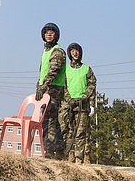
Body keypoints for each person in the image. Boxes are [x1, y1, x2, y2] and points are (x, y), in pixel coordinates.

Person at [60, 42, 97, 164]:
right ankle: (70, 157)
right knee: (69, 132)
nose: (75, 53)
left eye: (77, 51)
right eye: (72, 51)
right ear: (70, 53)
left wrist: (88, 100)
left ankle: (79, 158)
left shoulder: (86, 69)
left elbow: (92, 84)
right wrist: (69, 99)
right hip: (69, 106)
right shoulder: (65, 69)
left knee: (81, 133)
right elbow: (63, 85)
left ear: (80, 53)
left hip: (83, 106)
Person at [36, 23, 66, 160]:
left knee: (50, 120)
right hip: (45, 88)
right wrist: (39, 86)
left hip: (53, 89)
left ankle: (49, 150)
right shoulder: (45, 51)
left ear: (56, 35)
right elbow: (43, 73)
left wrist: (43, 87)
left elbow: (53, 71)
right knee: (48, 119)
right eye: (46, 32)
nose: (49, 34)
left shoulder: (57, 51)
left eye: (52, 32)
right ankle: (59, 150)